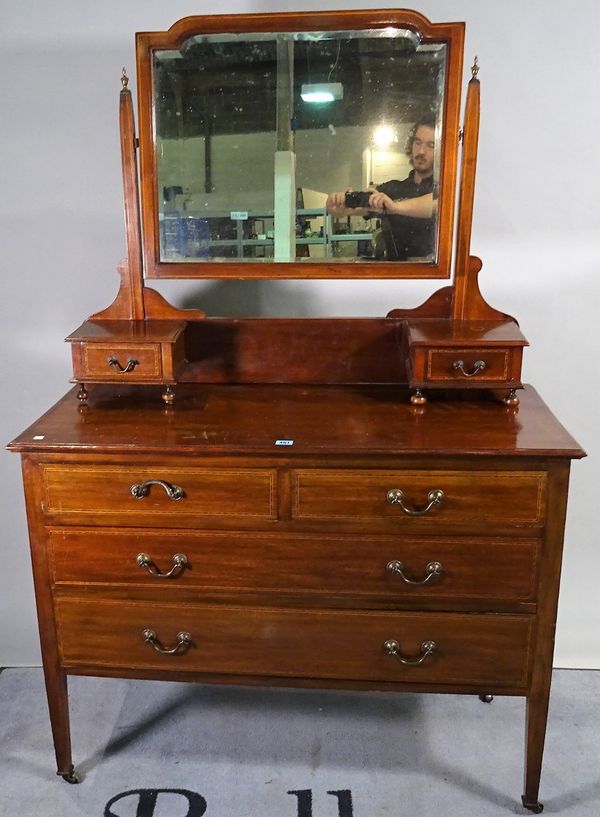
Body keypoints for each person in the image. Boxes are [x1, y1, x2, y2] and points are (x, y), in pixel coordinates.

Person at [326, 116, 437, 260]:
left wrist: (394, 207)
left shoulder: (447, 190)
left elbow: (438, 203)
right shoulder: (393, 189)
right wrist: (341, 207)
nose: (421, 151)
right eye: (417, 142)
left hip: (432, 279)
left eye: (431, 145)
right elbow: (365, 206)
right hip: (392, 277)